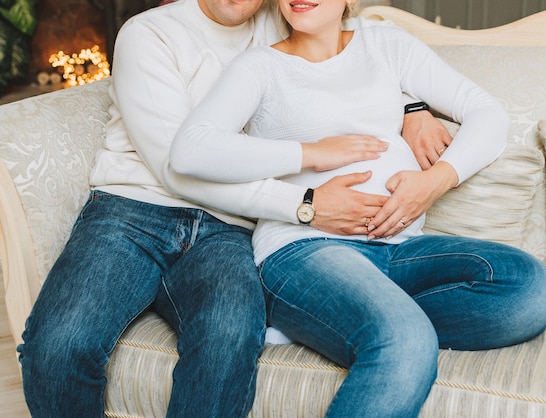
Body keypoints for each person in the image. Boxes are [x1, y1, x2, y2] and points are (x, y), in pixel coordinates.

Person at [16, 0, 452, 417]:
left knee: (228, 338)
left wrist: (413, 105)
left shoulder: (283, 19)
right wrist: (302, 203)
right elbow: (176, 168)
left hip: (230, 227)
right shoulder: (149, 33)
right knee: (59, 345)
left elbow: (358, 44)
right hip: (133, 210)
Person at [170, 0, 546, 416]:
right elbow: (191, 150)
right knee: (404, 339)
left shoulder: (387, 45)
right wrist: (310, 154)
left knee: (527, 287)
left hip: (399, 248)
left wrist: (434, 181)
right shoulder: (259, 66)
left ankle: (327, 321)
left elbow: (487, 113)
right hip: (306, 249)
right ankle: (352, 319)